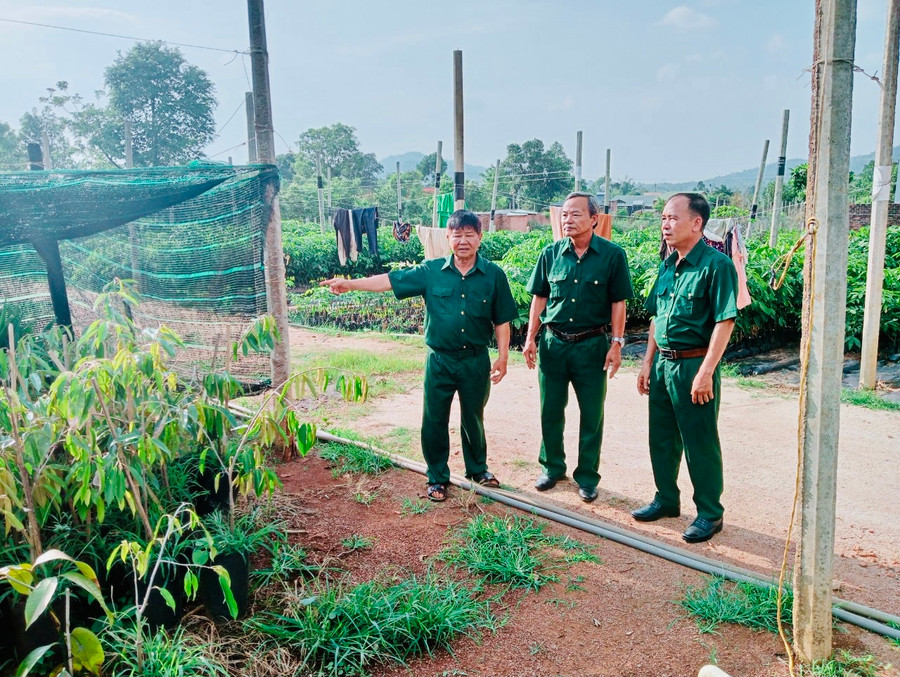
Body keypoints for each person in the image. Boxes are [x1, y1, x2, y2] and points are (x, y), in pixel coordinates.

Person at [321, 210, 518, 502]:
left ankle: (478, 470)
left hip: (476, 361)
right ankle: (437, 477)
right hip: (439, 360)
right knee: (434, 418)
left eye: (469, 234)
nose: (463, 241)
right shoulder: (431, 271)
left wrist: (503, 357)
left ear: (480, 237)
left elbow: (502, 320)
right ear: (448, 238)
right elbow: (390, 280)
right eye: (457, 235)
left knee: (473, 416)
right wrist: (350, 284)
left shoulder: (494, 275)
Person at [634, 193, 738, 543]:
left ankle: (709, 512)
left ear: (696, 223)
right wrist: (647, 362)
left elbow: (725, 321)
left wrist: (706, 372)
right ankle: (666, 499)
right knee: (661, 436)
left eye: (673, 218)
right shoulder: (668, 264)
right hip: (663, 364)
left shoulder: (716, 265)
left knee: (699, 440)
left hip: (694, 364)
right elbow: (656, 317)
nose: (665, 225)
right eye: (663, 218)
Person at [523, 192, 633, 502]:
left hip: (592, 346)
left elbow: (618, 302)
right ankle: (552, 467)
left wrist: (617, 343)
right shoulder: (550, 253)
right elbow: (539, 298)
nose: (567, 220)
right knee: (550, 409)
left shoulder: (612, 255)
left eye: (575, 214)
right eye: (564, 214)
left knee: (592, 413)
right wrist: (530, 338)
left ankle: (587, 476)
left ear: (594, 219)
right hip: (554, 344)